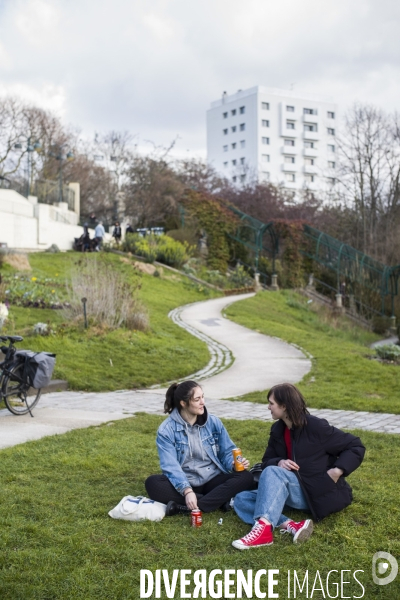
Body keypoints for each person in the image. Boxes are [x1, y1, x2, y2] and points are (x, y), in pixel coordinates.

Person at [232, 383, 365, 550]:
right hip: (291, 488)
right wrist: (279, 461)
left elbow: (355, 445)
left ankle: (263, 532)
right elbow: (267, 460)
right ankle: (290, 525)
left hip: (316, 491)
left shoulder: (315, 427)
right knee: (242, 498)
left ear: (284, 406)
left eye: (271, 403)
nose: (268, 407)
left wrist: (337, 471)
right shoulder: (278, 430)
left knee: (273, 473)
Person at [145, 380, 255, 516]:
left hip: (212, 480)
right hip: (184, 481)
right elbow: (170, 466)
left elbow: (227, 451)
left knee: (246, 477)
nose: (203, 402)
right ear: (183, 403)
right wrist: (187, 491)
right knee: (153, 483)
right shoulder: (166, 430)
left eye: (202, 397)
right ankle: (218, 501)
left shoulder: (213, 422)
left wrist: (233, 464)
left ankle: (186, 507)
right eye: (197, 399)